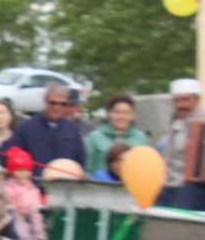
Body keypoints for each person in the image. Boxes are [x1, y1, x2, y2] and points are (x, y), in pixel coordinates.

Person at [157, 77, 205, 210]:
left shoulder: (202, 124)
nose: (181, 105)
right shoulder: (174, 123)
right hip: (169, 185)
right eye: (177, 100)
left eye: (186, 99)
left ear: (197, 99)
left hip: (194, 188)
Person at [12, 84, 84, 170]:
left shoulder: (73, 129)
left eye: (62, 104)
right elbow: (15, 156)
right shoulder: (26, 127)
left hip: (65, 181)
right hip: (34, 181)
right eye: (52, 103)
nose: (57, 107)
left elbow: (80, 160)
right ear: (45, 101)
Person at [84, 92, 149, 174]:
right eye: (117, 112)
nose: (122, 117)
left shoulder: (142, 138)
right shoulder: (94, 138)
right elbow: (88, 169)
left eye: (126, 113)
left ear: (132, 115)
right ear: (108, 114)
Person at [3, 148, 50, 240]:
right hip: (15, 234)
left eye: (26, 170)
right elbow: (14, 217)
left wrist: (39, 238)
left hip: (32, 233)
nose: (22, 174)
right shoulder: (7, 189)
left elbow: (37, 215)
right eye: (18, 170)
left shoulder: (34, 189)